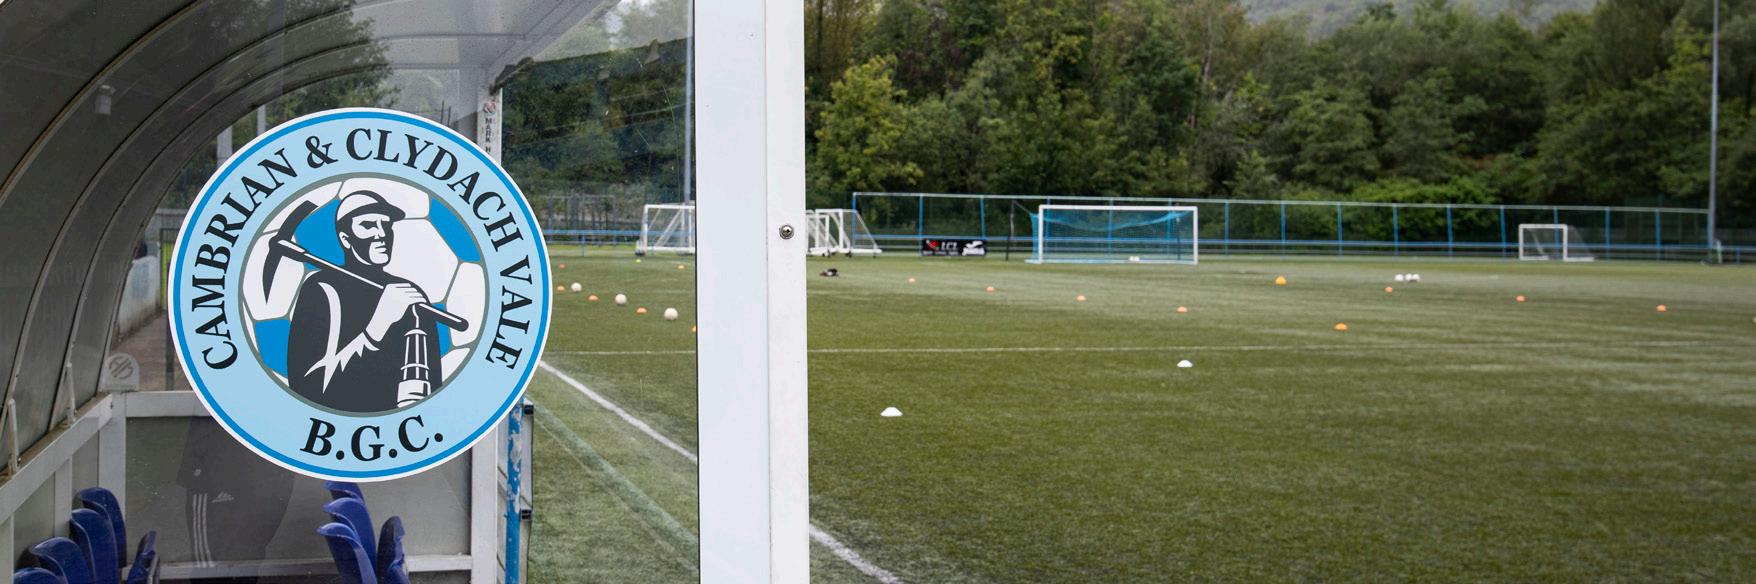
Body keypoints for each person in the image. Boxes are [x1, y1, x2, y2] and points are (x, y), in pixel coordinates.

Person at [287, 191, 439, 413]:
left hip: (404, 429)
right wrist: (378, 325)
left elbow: (435, 390)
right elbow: (306, 390)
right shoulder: (321, 288)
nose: (381, 234)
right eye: (368, 225)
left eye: (386, 225)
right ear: (345, 239)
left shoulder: (411, 295)